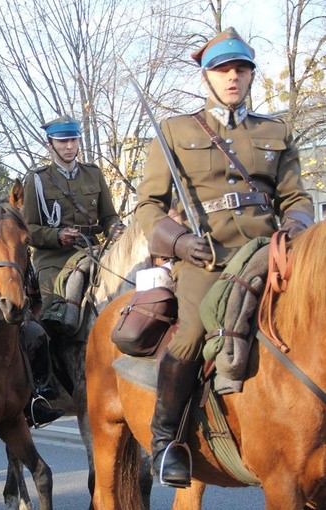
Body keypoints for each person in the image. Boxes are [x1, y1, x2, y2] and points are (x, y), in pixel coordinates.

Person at [135, 27, 314, 488]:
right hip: (208, 257)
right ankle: (166, 440)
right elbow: (148, 207)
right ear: (206, 78)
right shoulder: (175, 131)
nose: (232, 77)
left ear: (251, 75)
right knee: (193, 331)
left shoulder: (275, 131)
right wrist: (176, 243)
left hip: (269, 251)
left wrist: (296, 228)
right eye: (222, 69)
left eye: (241, 68)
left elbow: (295, 197)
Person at [22, 115, 122, 425]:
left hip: (95, 250)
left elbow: (109, 217)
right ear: (50, 143)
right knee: (55, 312)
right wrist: (57, 235)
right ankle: (48, 378)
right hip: (54, 258)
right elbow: (29, 229)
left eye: (73, 140)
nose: (69, 146)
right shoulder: (37, 179)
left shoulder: (93, 174)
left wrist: (117, 229)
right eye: (63, 141)